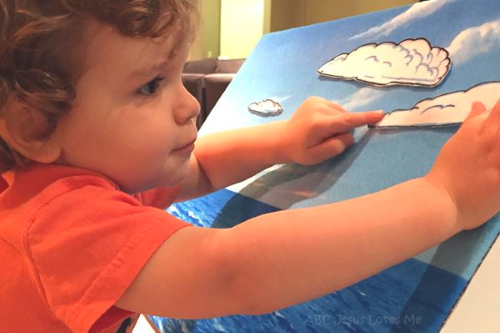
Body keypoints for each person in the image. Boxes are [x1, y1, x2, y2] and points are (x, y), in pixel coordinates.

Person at [1, 1, 500, 332]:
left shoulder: (97, 178)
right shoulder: (57, 220)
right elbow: (232, 271)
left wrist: (280, 140)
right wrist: (445, 200)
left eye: (178, 77)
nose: (188, 106)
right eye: (150, 86)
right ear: (36, 127)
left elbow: (202, 169)